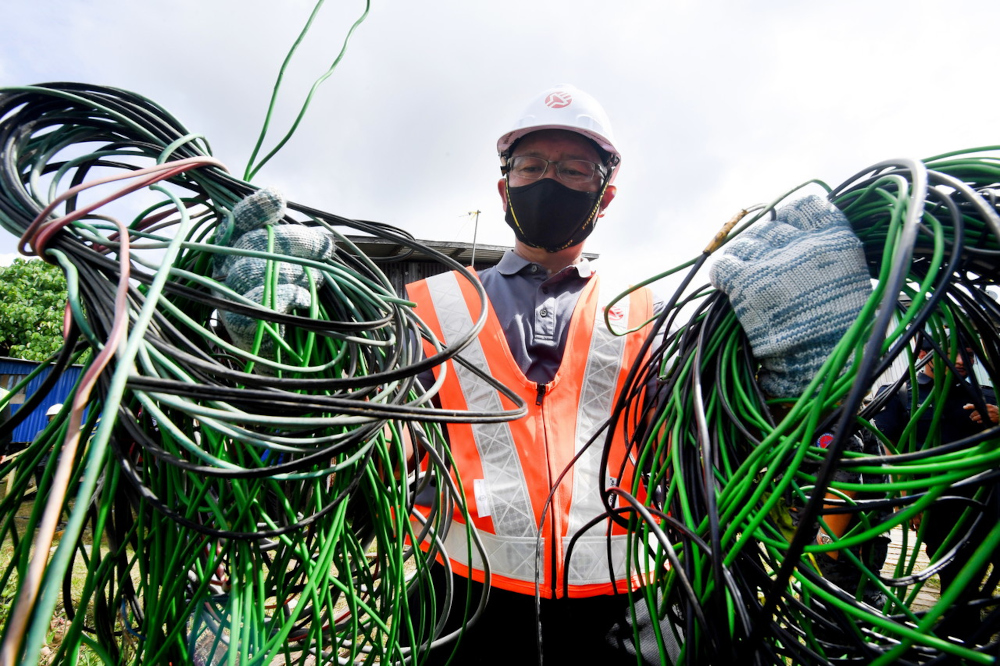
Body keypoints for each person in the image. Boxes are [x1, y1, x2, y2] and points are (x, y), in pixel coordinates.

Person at [404, 84, 675, 665]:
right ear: (505, 188)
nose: (549, 180)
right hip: (464, 610)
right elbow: (374, 443)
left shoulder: (648, 313)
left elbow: (697, 451)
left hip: (622, 617)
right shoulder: (431, 307)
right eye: (531, 166)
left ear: (604, 197)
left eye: (574, 170)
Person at [872, 336, 1000, 646]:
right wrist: (907, 500)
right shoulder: (901, 395)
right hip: (940, 505)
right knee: (957, 577)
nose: (961, 361)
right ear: (924, 354)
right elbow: (888, 451)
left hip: (990, 500)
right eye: (952, 352)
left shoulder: (987, 395)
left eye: (969, 354)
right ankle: (960, 641)